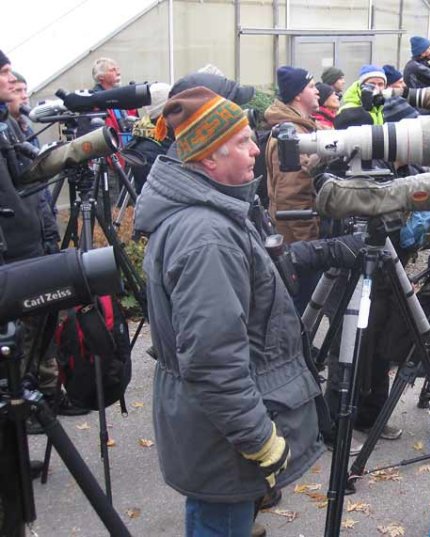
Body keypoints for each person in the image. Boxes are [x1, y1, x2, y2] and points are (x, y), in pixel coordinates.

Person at [134, 86, 324, 536]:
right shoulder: (208, 237)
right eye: (242, 141)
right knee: (219, 519)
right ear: (208, 160)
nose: (257, 148)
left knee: (218, 514)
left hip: (212, 429)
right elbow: (214, 361)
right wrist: (259, 439)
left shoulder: (212, 213)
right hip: (220, 436)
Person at [264, 66, 320, 244]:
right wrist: (309, 242)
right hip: (296, 238)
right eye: (311, 87)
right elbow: (293, 196)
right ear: (297, 95)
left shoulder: (300, 127)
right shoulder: (291, 135)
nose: (317, 91)